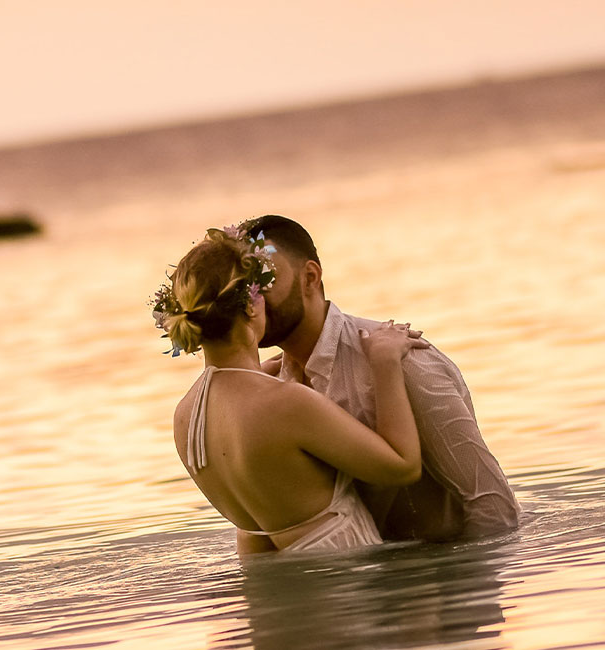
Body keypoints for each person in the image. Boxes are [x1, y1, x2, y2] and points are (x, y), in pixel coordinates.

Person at [241, 214, 519, 544]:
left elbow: (494, 505)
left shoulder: (405, 361)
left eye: (264, 281)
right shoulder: (275, 386)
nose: (252, 299)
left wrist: (466, 592)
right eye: (242, 287)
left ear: (310, 278)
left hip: (445, 578)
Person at [159, 226, 426, 554]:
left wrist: (271, 373)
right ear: (251, 306)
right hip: (346, 593)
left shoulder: (185, 416)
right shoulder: (286, 403)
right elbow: (402, 466)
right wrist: (385, 364)